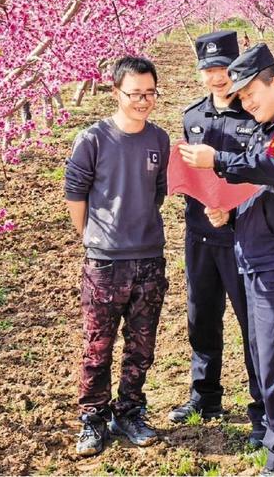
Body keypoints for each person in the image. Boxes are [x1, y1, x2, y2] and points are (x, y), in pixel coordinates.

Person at [179, 44, 274, 475]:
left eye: (250, 94)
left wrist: (218, 159)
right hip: (258, 254)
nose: (246, 102)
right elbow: (260, 185)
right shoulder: (270, 126)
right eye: (240, 98)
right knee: (267, 354)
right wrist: (230, 211)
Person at [64, 56, 171, 457]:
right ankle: (92, 417)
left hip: (149, 256)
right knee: (98, 345)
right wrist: (93, 237)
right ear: (116, 92)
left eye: (149, 93)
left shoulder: (159, 140)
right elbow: (75, 194)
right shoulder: (93, 139)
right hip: (105, 261)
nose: (143, 101)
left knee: (141, 345)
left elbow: (158, 192)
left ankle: (129, 411)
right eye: (134, 94)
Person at [170, 30, 266, 447]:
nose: (216, 78)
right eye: (208, 70)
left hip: (242, 236)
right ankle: (205, 396)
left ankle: (262, 407)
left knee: (252, 323)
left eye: (223, 69)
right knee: (201, 317)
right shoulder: (193, 117)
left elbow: (264, 176)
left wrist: (232, 209)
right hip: (199, 235)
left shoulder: (255, 117)